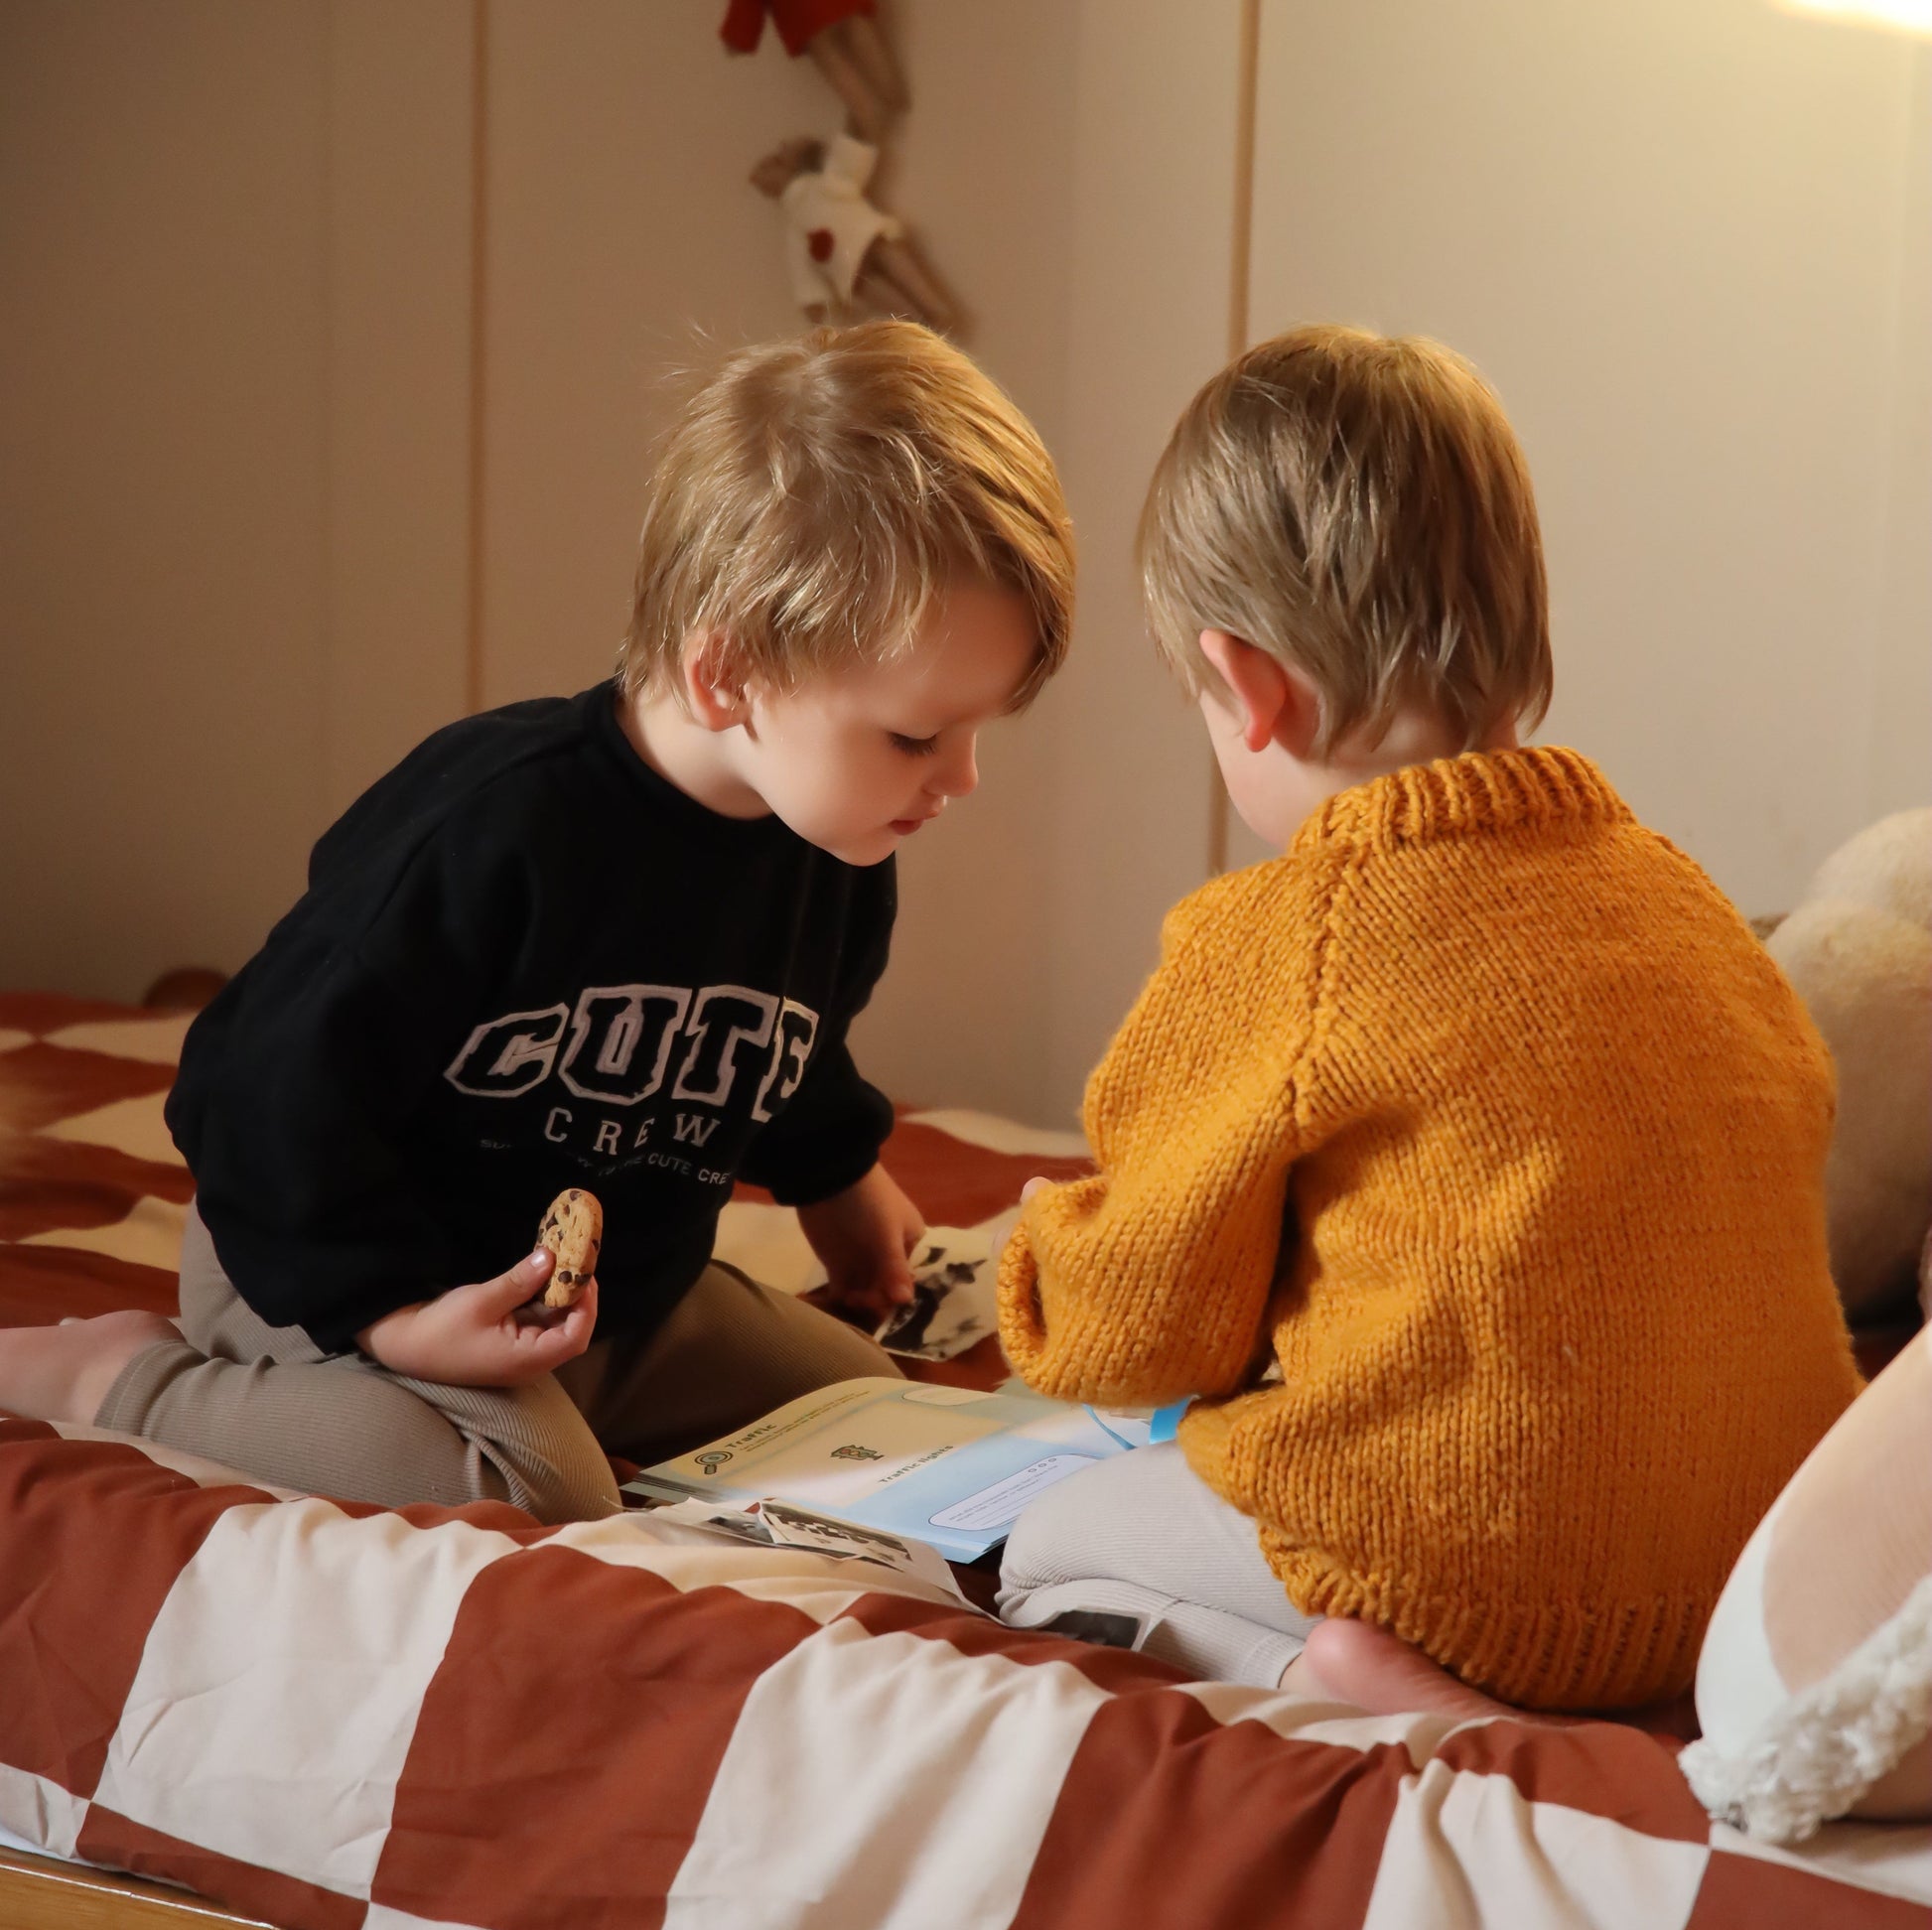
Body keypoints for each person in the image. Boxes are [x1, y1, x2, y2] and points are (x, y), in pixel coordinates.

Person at [0, 320, 1074, 1524]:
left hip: (605, 1294)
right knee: (535, 1483)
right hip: (337, 1257)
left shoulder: (834, 843)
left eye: (975, 730)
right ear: (729, 676)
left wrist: (836, 1177)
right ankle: (121, 1377)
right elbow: (258, 1090)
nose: (960, 777)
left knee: (876, 1416)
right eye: (917, 734)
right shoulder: (491, 830)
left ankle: (564, 1395)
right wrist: (393, 1312)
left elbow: (778, 1037)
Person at [995, 324, 1863, 1714]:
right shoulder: (1681, 895)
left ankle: (1377, 1685)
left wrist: (1041, 1255)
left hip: (1467, 1579)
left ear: (1251, 687)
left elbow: (1143, 1332)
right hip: (1747, 1566)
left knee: (1044, 1552)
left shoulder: (1287, 936)